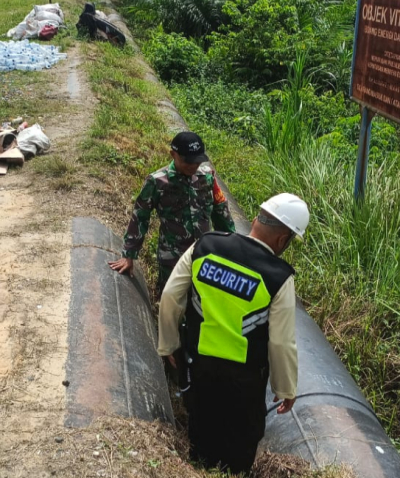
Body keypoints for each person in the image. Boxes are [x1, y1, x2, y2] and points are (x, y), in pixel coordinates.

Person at [157, 193, 308, 474]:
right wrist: (285, 387)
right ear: (283, 239)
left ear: (255, 220)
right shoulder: (278, 276)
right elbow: (281, 341)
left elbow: (170, 297)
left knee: (200, 431)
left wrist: (168, 344)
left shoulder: (205, 245)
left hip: (198, 366)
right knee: (240, 446)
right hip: (244, 380)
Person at [108, 132, 236, 293]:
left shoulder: (207, 176)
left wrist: (233, 246)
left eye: (197, 161)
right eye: (187, 161)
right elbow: (140, 217)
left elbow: (221, 211)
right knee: (170, 300)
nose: (193, 166)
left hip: (204, 254)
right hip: (172, 257)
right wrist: (129, 254)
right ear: (173, 154)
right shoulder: (157, 182)